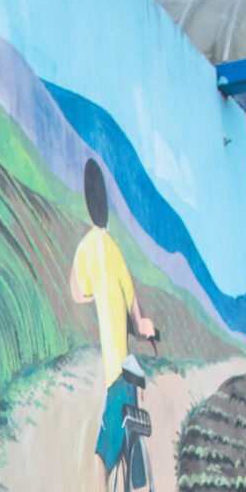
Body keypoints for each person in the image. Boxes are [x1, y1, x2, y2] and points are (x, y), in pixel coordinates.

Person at [69, 158, 156, 475]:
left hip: (112, 372)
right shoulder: (114, 249)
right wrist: (145, 328)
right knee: (124, 456)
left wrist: (95, 295)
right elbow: (137, 310)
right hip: (123, 369)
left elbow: (77, 293)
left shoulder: (85, 248)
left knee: (107, 456)